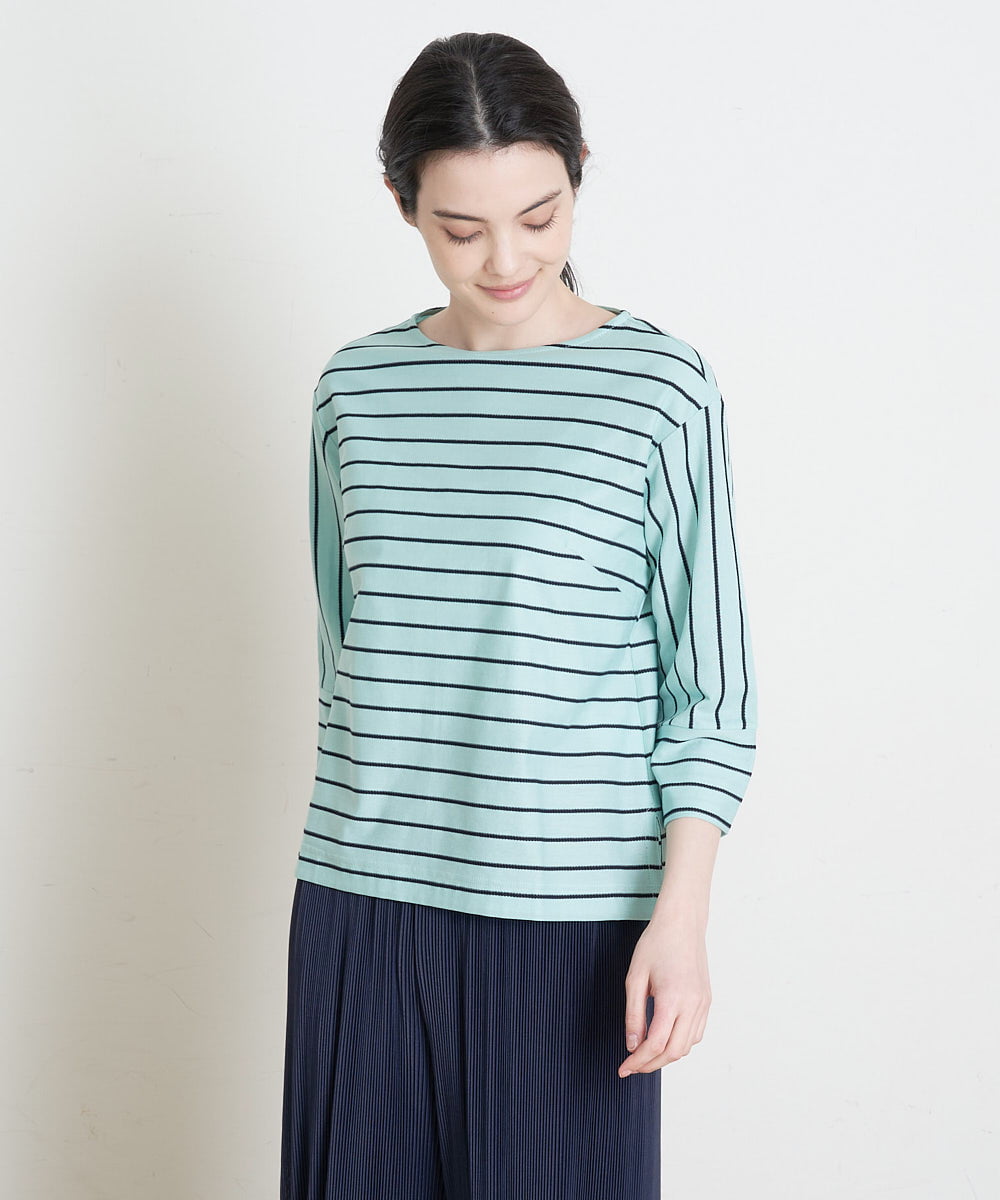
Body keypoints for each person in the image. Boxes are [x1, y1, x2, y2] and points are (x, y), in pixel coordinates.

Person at [280, 30, 759, 1200]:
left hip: (572, 914)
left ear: (579, 177)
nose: (506, 258)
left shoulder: (658, 389)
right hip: (362, 897)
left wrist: (680, 920)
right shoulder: (355, 390)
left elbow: (711, 691)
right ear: (401, 202)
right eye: (461, 228)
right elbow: (345, 657)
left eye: (539, 217)